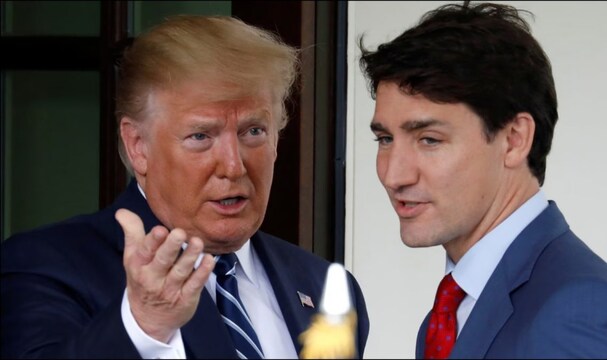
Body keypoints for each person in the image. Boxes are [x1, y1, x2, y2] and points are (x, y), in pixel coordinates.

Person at [1, 15, 369, 359]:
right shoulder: (44, 267)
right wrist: (143, 326)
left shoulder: (327, 288)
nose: (233, 165)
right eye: (200, 136)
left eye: (253, 131)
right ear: (138, 147)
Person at [359, 2, 607, 359]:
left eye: (429, 139)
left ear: (514, 139)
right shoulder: (447, 315)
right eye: (385, 139)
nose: (394, 175)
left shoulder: (579, 311)